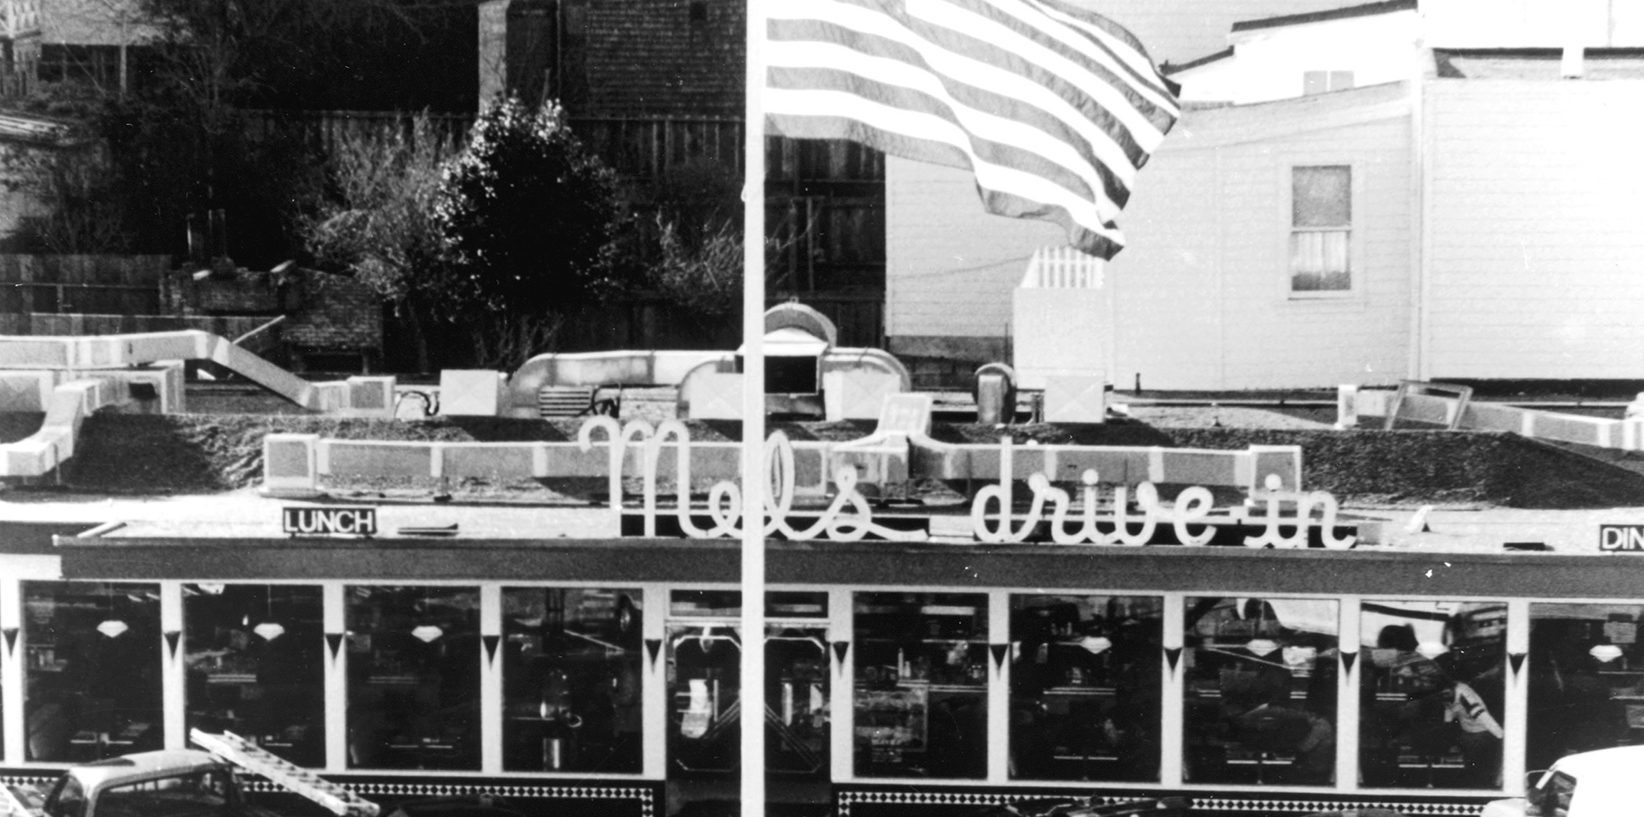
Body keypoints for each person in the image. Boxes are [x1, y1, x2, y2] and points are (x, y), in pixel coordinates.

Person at [1442, 674, 1503, 787]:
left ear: (1452, 688)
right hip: (1468, 731)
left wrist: (1501, 735)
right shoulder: (1446, 694)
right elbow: (1449, 708)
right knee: (1472, 766)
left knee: (1480, 766)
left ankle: (1483, 784)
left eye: (1446, 692)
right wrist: (1447, 723)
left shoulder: (1466, 697)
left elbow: (1483, 716)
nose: (1444, 695)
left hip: (1481, 731)